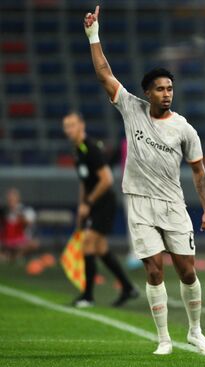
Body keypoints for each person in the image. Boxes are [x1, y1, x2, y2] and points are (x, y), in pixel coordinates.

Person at [84, 5, 205, 355]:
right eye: (159, 89)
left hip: (174, 204)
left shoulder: (184, 127)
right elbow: (103, 73)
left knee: (187, 271)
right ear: (147, 92)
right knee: (154, 271)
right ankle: (164, 339)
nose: (167, 93)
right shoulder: (131, 107)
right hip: (139, 202)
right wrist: (93, 35)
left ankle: (195, 331)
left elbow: (199, 171)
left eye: (170, 88)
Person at [62, 112, 138, 308]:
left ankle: (87, 296)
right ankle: (128, 288)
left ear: (81, 125)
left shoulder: (91, 148)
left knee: (88, 244)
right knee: (101, 249)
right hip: (93, 203)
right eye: (66, 126)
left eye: (72, 125)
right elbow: (84, 182)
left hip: (104, 203)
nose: (68, 130)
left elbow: (106, 180)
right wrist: (82, 204)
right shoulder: (77, 150)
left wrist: (88, 202)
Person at [0, 188, 39, 262]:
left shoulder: (25, 210)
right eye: (9, 198)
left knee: (34, 243)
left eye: (13, 198)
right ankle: (7, 257)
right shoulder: (4, 211)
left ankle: (16, 257)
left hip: (20, 241)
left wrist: (17, 213)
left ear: (18, 198)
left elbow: (29, 223)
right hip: (6, 240)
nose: (11, 200)